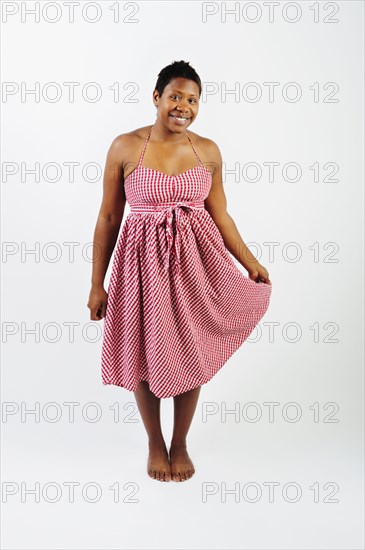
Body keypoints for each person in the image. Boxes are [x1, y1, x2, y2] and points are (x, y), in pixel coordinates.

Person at [87, 60, 272, 483]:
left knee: (190, 348)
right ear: (156, 98)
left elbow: (221, 216)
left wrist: (250, 262)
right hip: (140, 268)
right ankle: (155, 442)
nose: (183, 106)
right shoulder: (125, 147)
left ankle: (181, 442)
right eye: (175, 96)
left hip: (195, 268)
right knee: (145, 352)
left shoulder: (206, 151)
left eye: (192, 100)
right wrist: (96, 283)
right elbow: (109, 217)